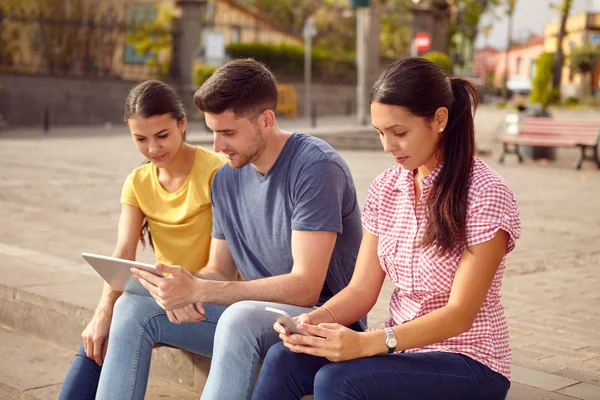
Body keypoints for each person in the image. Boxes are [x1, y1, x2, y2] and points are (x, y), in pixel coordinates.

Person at [94, 58, 366, 400]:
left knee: (240, 317)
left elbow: (305, 288)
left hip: (321, 323)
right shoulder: (224, 180)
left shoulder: (315, 168)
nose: (217, 147)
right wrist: (178, 284)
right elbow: (219, 269)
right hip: (254, 319)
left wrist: (200, 291)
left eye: (228, 133)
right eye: (212, 132)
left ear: (266, 120)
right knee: (133, 306)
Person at [252, 57, 521, 400]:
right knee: (285, 357)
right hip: (402, 351)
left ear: (439, 119)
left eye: (399, 132)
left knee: (339, 381)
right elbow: (362, 289)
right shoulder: (386, 187)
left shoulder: (484, 193)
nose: (387, 146)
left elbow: (460, 315)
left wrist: (369, 343)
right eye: (380, 133)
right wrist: (311, 324)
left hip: (470, 361)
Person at [57, 80, 226, 399]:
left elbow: (223, 268)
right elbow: (123, 251)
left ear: (182, 124)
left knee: (133, 309)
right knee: (109, 319)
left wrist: (179, 291)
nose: (152, 149)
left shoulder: (216, 172)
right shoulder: (137, 182)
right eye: (140, 139)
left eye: (162, 136)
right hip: (166, 303)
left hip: (209, 304)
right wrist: (103, 310)